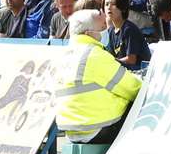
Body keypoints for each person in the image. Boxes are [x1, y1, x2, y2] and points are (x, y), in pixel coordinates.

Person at [55, 9, 143, 146]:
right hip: (97, 127)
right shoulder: (94, 55)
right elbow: (133, 88)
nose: (107, 30)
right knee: (140, 103)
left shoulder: (64, 54)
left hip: (70, 130)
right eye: (103, 26)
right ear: (89, 33)